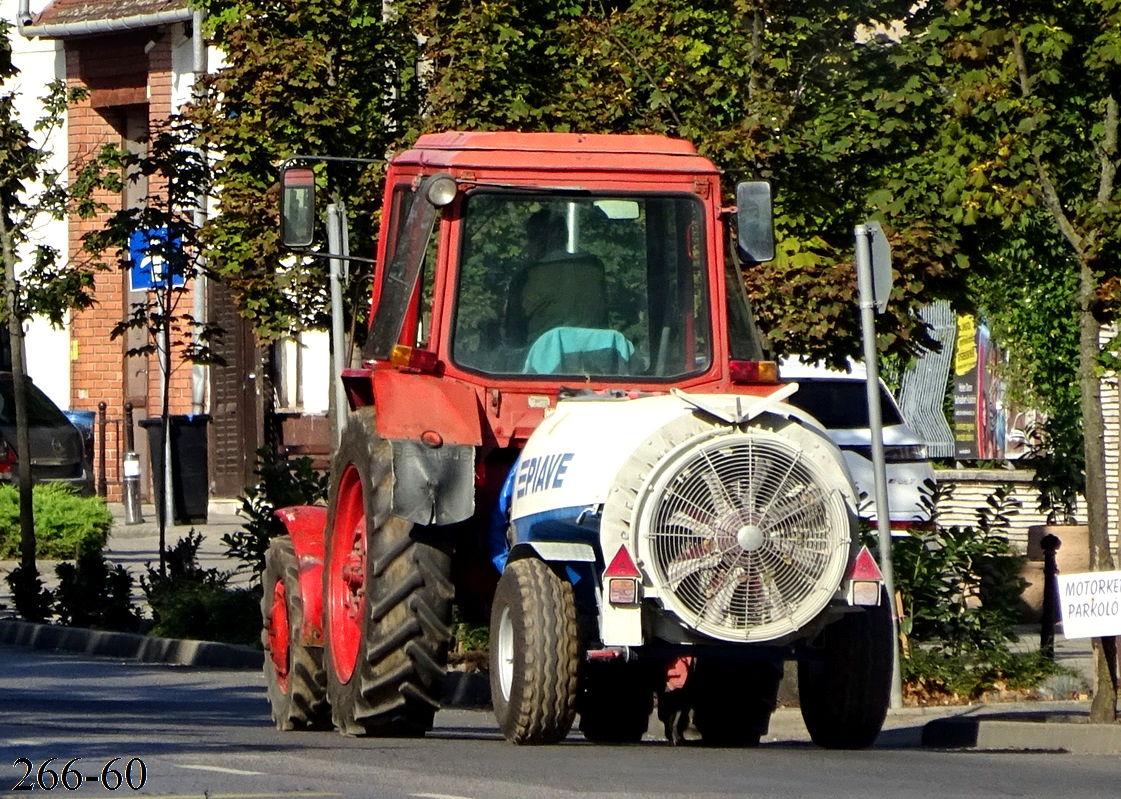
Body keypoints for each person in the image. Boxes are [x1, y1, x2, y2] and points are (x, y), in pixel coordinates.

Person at [505, 209, 608, 347]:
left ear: (537, 241)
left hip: (539, 364)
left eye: (530, 238)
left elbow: (513, 337)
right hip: (594, 361)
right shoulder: (595, 269)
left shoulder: (527, 278)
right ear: (565, 236)